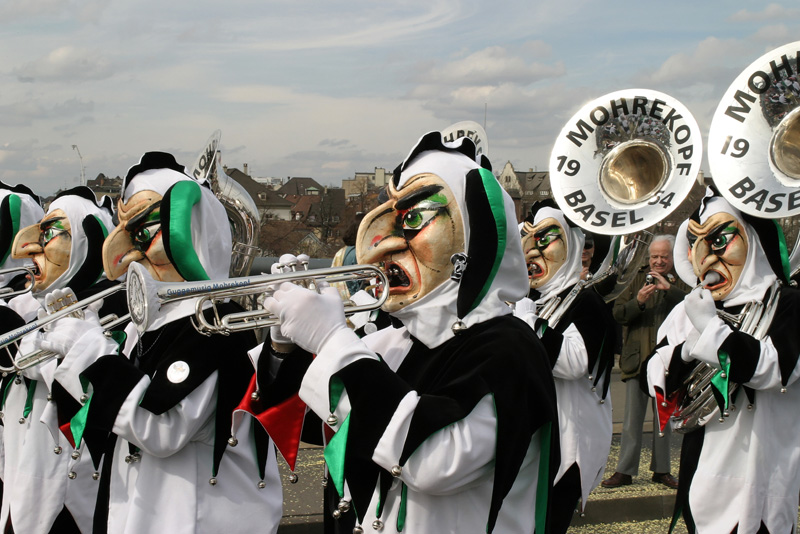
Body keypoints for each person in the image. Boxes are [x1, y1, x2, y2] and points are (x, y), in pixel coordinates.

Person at [255, 131, 559, 533]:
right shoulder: (396, 340)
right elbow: (317, 424)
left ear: (471, 234)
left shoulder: (510, 346)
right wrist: (284, 348)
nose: (384, 248)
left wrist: (332, 340)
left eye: (414, 219)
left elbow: (435, 462)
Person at [36, 153, 282, 534]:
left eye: (145, 230)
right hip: (143, 510)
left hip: (193, 517)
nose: (132, 250)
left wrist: (89, 352)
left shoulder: (213, 321)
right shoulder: (148, 325)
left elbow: (161, 428)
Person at [646, 192, 800, 533]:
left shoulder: (787, 304)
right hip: (700, 465)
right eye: (694, 243)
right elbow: (654, 377)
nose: (704, 258)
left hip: (760, 471)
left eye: (718, 240)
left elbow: (772, 371)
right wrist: (685, 351)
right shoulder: (691, 307)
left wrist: (711, 330)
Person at [3, 186, 117, 533]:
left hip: (71, 496)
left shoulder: (112, 316)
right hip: (21, 489)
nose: (30, 249)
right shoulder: (37, 314)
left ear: (87, 244)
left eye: (50, 233)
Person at [513, 201, 615, 533]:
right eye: (527, 242)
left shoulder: (587, 302)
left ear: (570, 244)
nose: (533, 252)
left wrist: (530, 324)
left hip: (565, 446)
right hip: (529, 440)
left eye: (545, 240)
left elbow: (573, 363)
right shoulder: (531, 301)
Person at [602, 234, 687, 490]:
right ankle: (624, 471)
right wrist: (638, 301)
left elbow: (693, 306)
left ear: (672, 258)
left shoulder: (682, 279)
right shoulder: (636, 277)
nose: (658, 261)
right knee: (631, 421)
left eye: (663, 256)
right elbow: (617, 312)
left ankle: (662, 470)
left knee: (664, 419)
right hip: (637, 360)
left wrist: (669, 291)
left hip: (667, 362)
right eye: (654, 256)